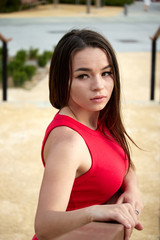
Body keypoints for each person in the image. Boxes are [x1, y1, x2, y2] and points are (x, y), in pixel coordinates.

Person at [33, 29, 143, 240]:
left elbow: (119, 159)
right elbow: (44, 225)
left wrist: (133, 188)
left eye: (106, 73)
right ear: (63, 80)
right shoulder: (70, 142)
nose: (99, 86)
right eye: (83, 75)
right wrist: (95, 212)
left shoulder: (98, 117)